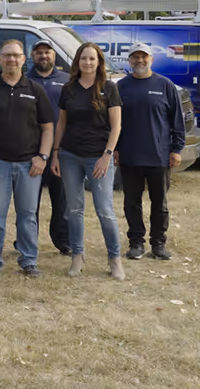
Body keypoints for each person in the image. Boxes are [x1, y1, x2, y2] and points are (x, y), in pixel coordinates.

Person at [0, 39, 55, 279]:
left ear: (23, 59)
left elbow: (48, 127)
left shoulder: (35, 90)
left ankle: (28, 261)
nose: (11, 59)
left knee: (27, 216)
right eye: (7, 55)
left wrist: (43, 157)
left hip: (29, 165)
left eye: (16, 55)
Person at [52, 43, 125, 280]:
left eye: (92, 59)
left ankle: (115, 259)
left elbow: (116, 127)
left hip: (99, 156)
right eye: (84, 58)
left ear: (99, 62)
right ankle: (77, 256)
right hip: (70, 156)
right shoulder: (68, 89)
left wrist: (107, 155)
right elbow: (62, 123)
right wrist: (55, 153)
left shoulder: (109, 88)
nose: (88, 63)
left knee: (105, 210)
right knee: (74, 210)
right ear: (78, 61)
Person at [116, 43, 185, 261]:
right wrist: (115, 149)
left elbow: (177, 121)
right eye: (135, 57)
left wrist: (176, 149)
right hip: (129, 156)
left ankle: (158, 244)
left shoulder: (165, 85)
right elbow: (113, 122)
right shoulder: (121, 87)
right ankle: (136, 243)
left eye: (143, 56)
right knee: (131, 203)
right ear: (129, 61)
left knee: (160, 203)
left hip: (159, 156)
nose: (139, 60)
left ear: (151, 59)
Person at [28, 39, 71, 255]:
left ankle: (63, 240)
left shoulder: (67, 80)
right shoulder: (24, 80)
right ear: (32, 56)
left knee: (61, 200)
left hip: (60, 150)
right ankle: (27, 241)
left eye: (47, 52)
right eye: (39, 52)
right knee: (28, 202)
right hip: (29, 150)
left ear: (54, 55)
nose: (43, 56)